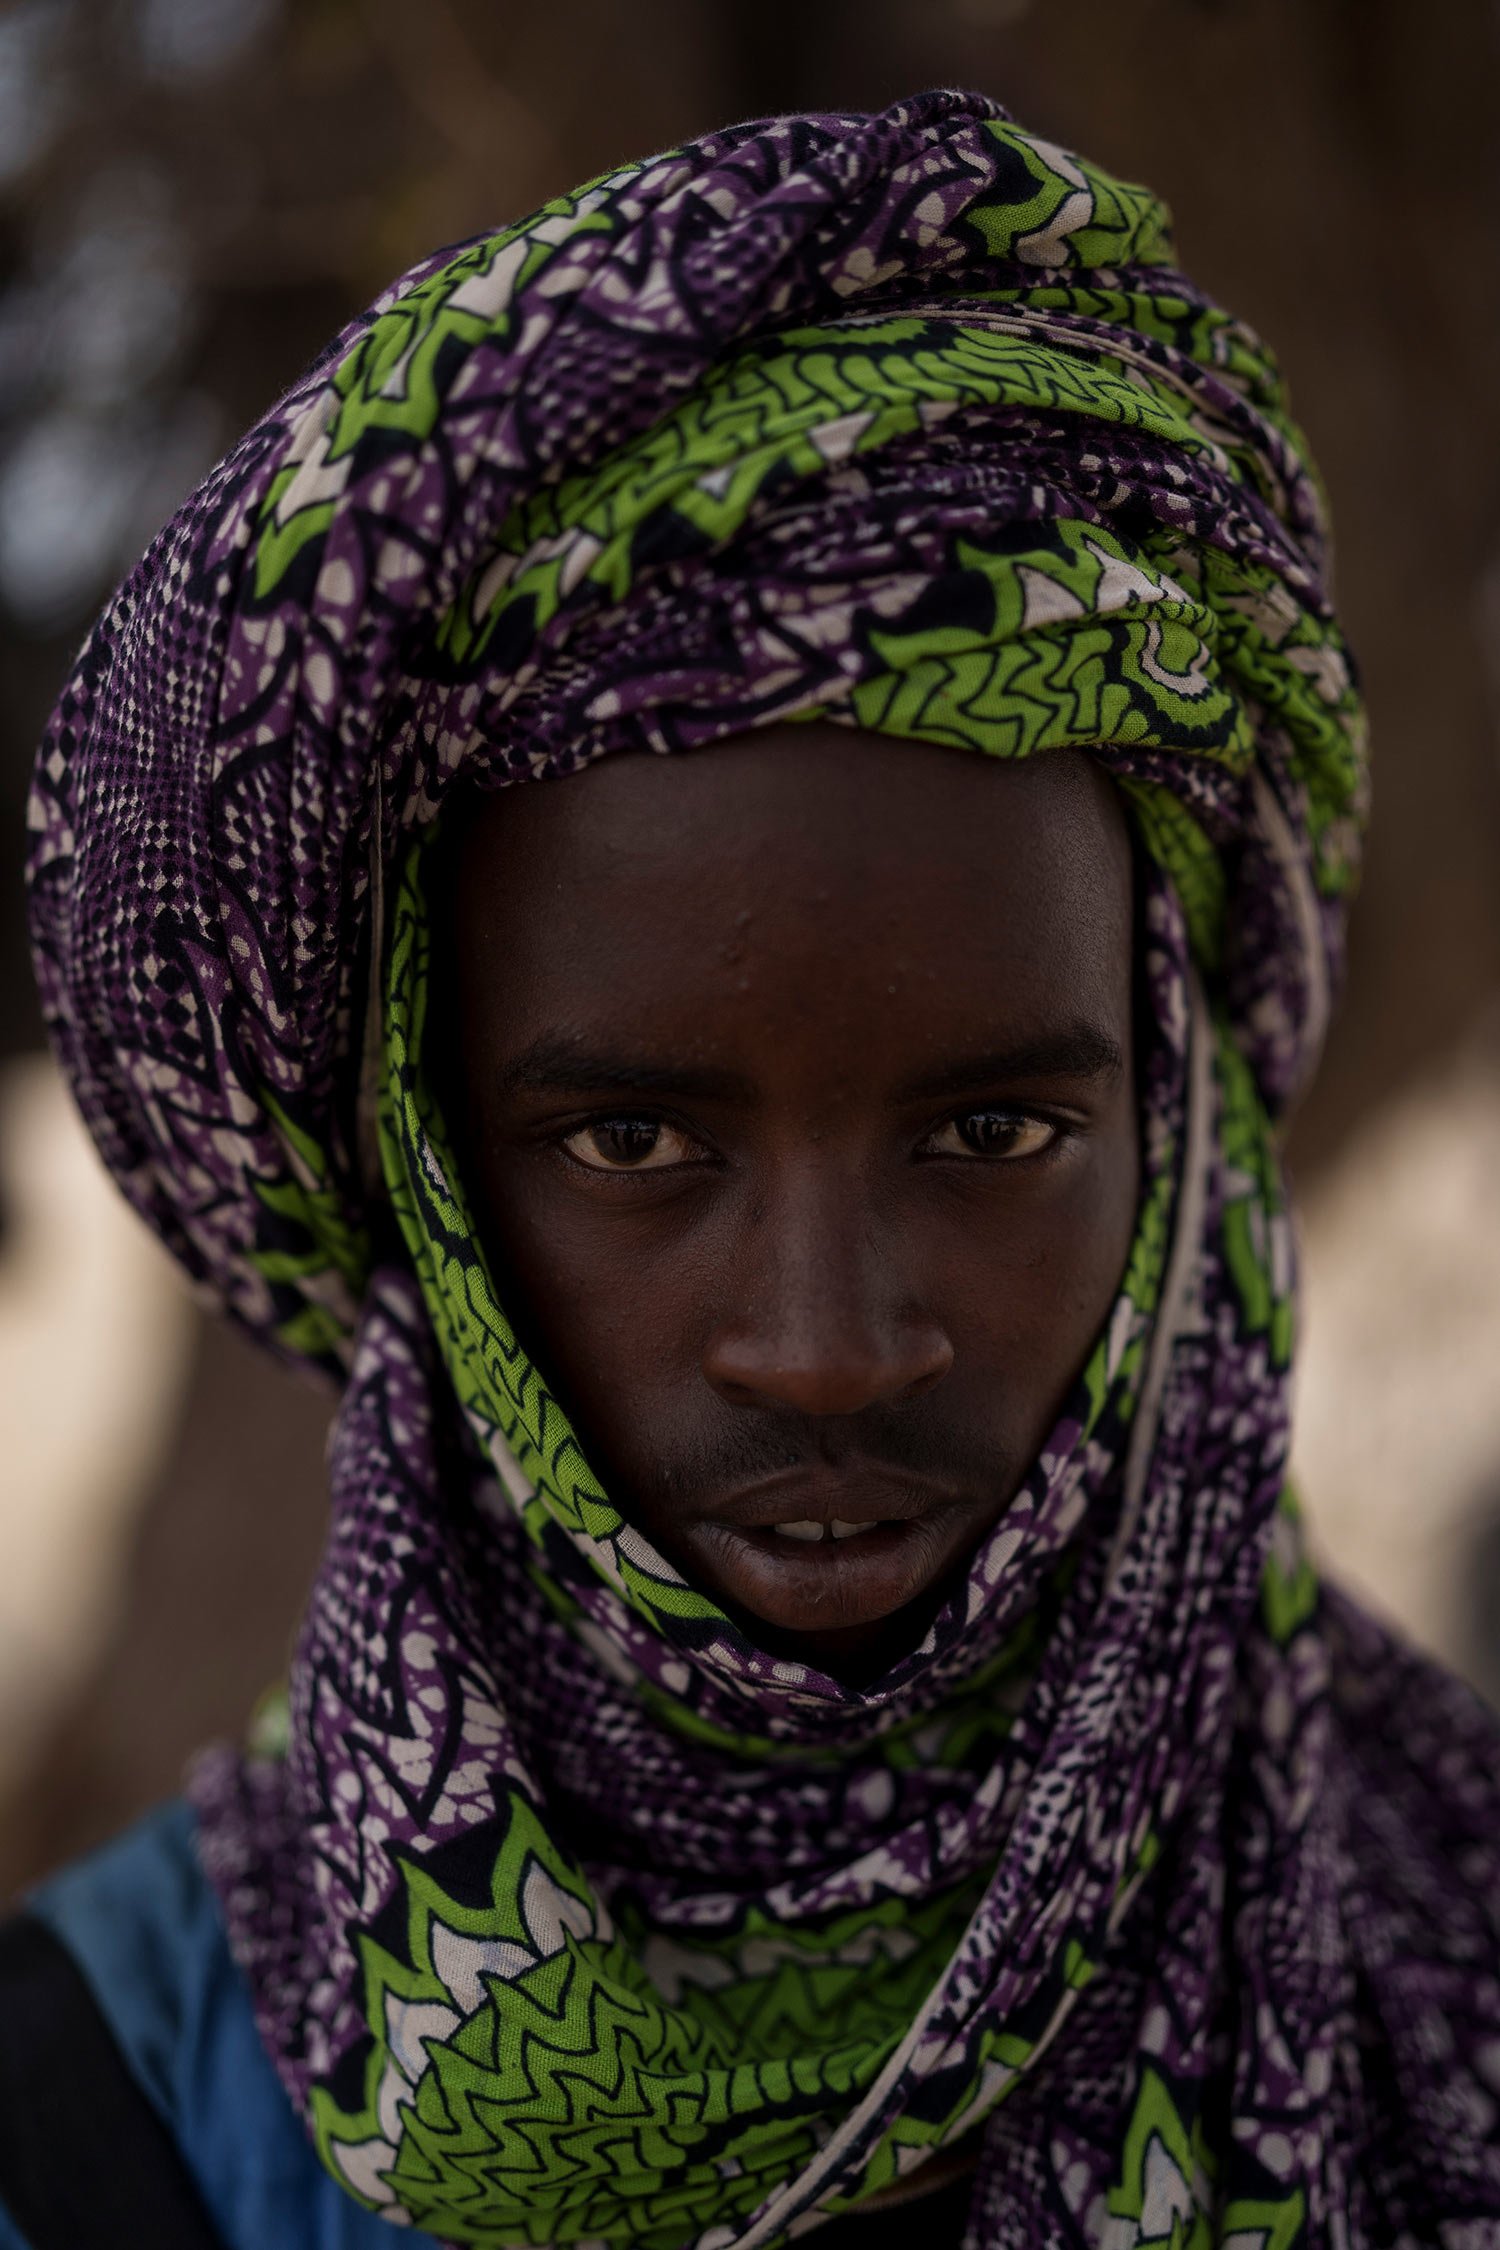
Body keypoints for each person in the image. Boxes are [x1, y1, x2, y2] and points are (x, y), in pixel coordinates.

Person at [4, 85, 1498, 2250]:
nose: (827, 1347)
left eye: (996, 1131)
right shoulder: (99, 2116)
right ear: (426, 1171)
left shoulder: (1445, 1957)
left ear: (1180, 1126)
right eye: (631, 1141)